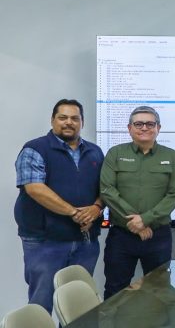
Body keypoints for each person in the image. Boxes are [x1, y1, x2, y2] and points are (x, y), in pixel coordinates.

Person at [13, 99, 104, 312]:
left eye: (75, 118)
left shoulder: (95, 152)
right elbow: (35, 188)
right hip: (45, 241)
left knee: (78, 306)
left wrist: (97, 208)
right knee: (41, 303)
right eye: (63, 117)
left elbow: (107, 188)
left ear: (82, 122)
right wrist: (74, 212)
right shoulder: (35, 148)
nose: (68, 122)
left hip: (85, 242)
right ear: (53, 120)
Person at [100, 106, 175, 299]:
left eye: (150, 123)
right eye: (138, 124)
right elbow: (107, 190)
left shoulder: (171, 156)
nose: (144, 127)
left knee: (159, 292)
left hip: (158, 237)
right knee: (115, 291)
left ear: (158, 128)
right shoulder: (115, 153)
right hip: (121, 237)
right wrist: (136, 224)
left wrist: (145, 219)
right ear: (129, 128)